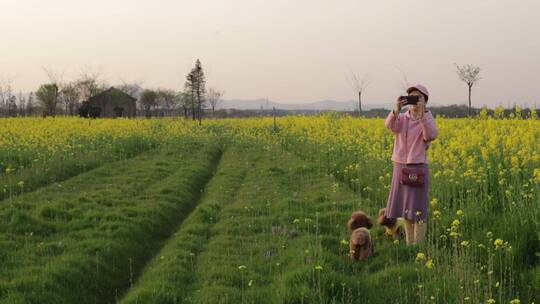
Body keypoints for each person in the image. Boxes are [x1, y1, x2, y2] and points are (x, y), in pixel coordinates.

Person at [384, 84, 439, 245]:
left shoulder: (427, 117)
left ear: (425, 101)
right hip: (400, 166)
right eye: (412, 97)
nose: (414, 101)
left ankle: (418, 245)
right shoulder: (401, 117)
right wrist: (396, 109)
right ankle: (410, 244)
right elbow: (389, 126)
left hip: (418, 167)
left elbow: (431, 135)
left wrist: (422, 116)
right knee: (406, 209)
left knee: (418, 209)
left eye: (418, 98)